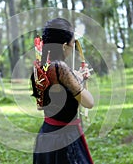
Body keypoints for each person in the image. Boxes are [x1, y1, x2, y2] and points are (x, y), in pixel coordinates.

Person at [31, 18, 94, 164]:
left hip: (47, 136)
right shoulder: (60, 68)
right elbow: (89, 102)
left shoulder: (41, 66)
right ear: (65, 46)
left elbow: (41, 105)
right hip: (65, 139)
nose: (73, 47)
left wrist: (76, 78)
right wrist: (78, 80)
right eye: (73, 43)